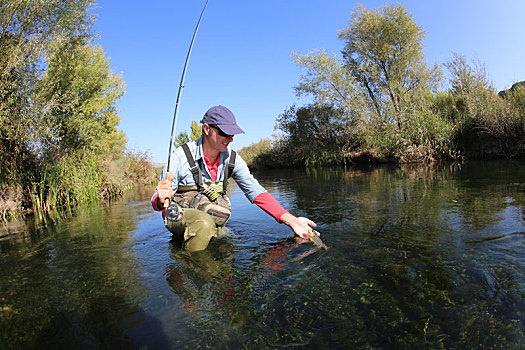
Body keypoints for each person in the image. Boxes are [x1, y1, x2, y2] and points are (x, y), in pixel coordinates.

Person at [152, 105, 317, 251]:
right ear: (207, 129)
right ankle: (189, 268)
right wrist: (160, 200)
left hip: (208, 214)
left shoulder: (233, 159)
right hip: (176, 215)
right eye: (225, 133)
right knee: (204, 224)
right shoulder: (180, 156)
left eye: (233, 134)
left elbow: (255, 191)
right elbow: (158, 203)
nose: (230, 138)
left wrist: (292, 220)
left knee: (227, 242)